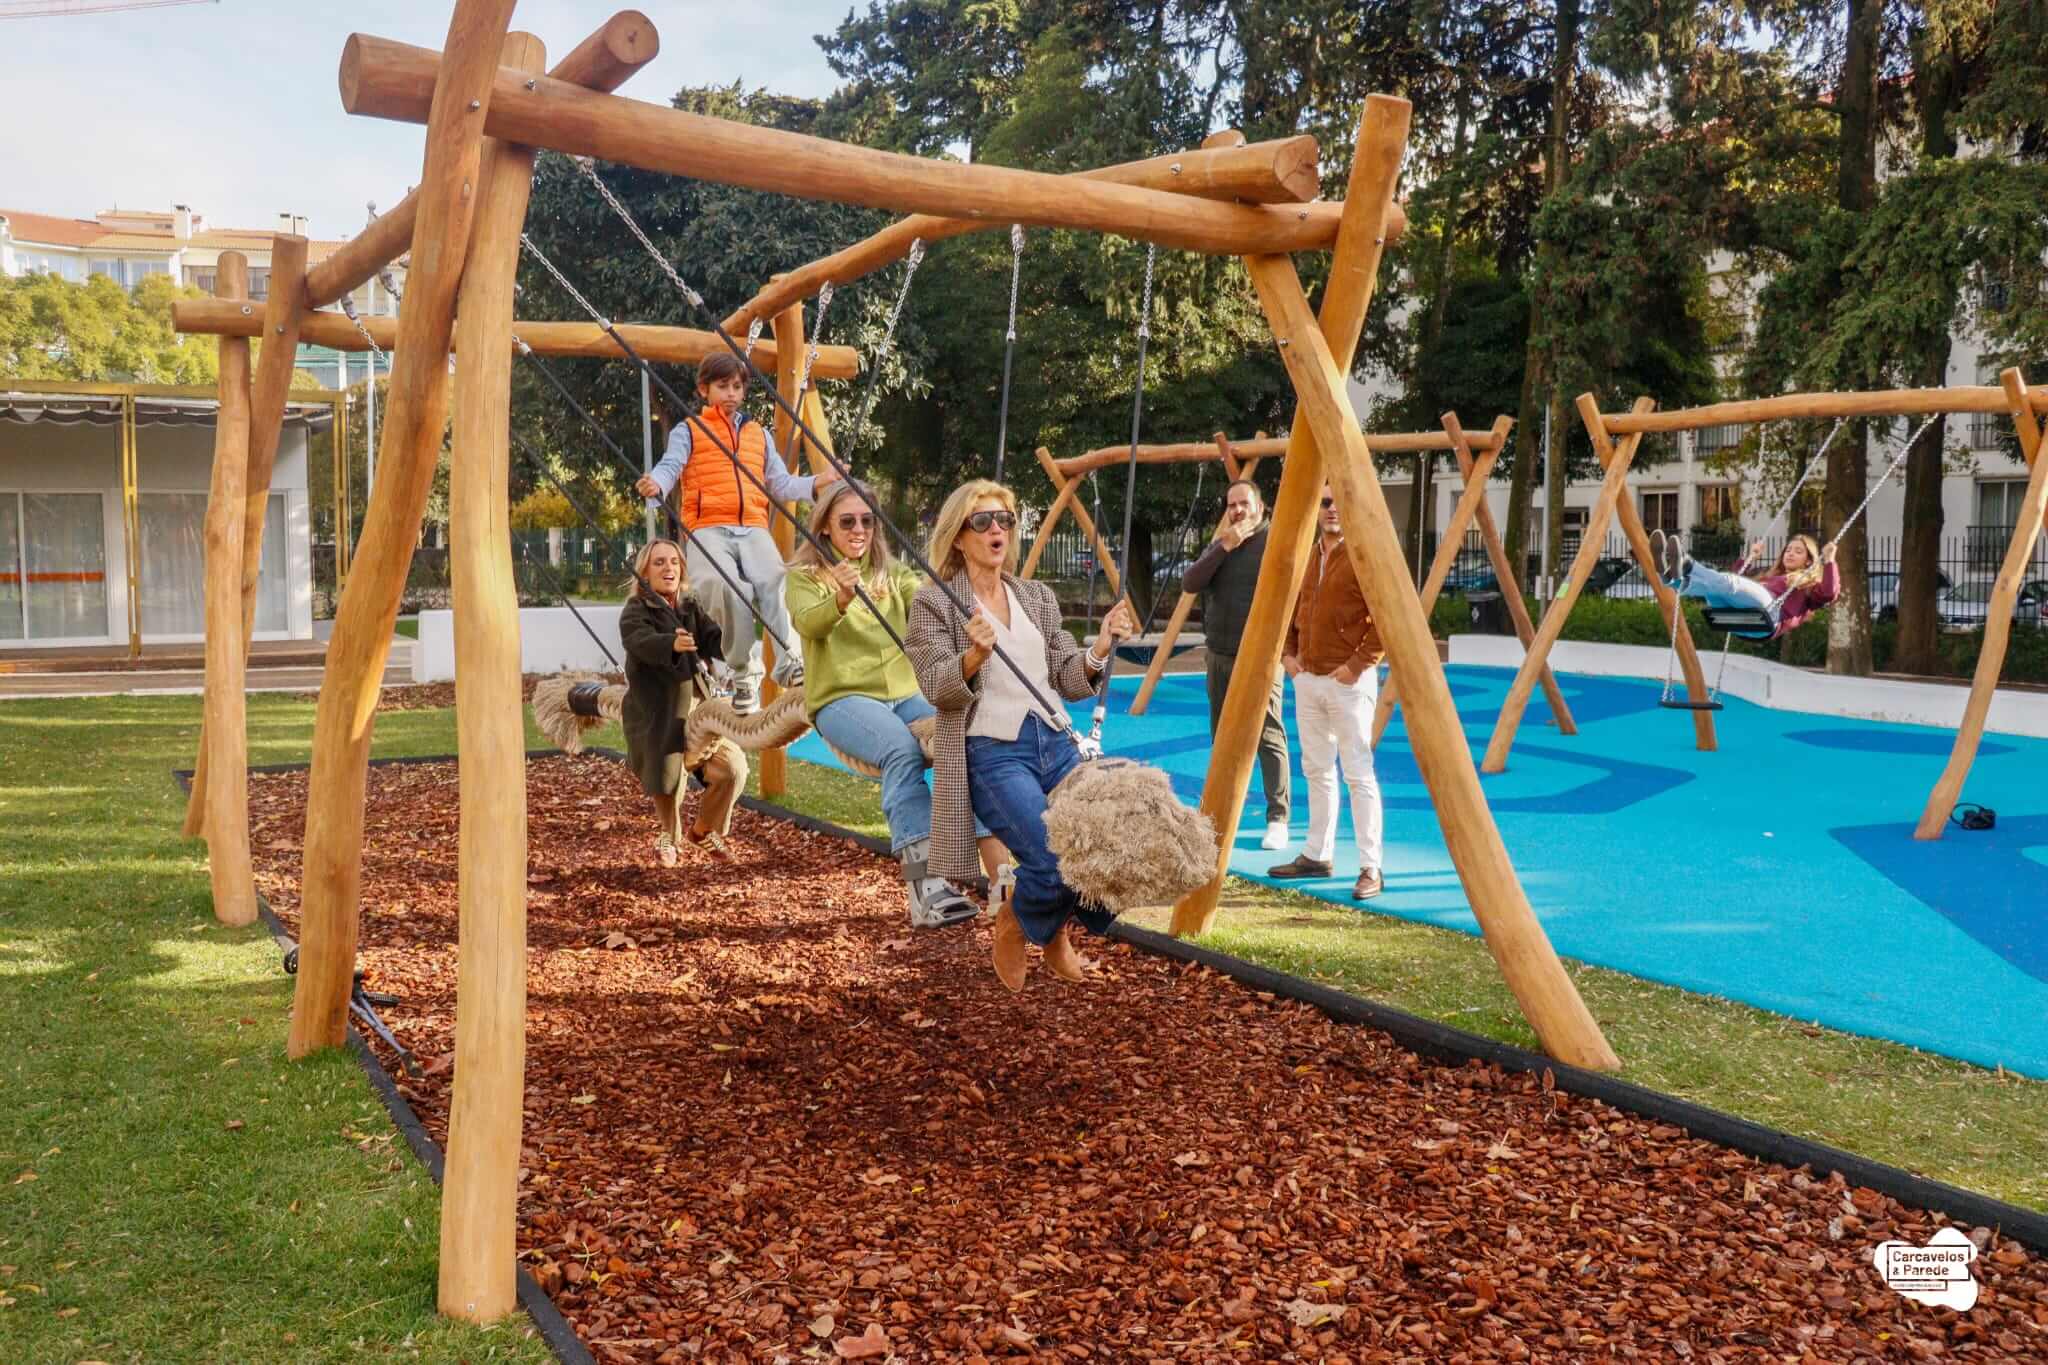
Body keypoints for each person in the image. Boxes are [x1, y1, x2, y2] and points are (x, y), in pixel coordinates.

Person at [905, 479, 1139, 990]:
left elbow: (1066, 675)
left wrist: (1098, 647)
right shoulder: (934, 604)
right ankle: (1023, 922)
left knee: (1109, 837)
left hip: (1054, 740)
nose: (997, 530)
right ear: (959, 537)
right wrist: (972, 659)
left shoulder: (1035, 596)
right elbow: (935, 685)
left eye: (1004, 521)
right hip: (992, 751)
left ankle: (1039, 922)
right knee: (1052, 856)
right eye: (983, 521)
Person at [787, 480, 1006, 928]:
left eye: (867, 520)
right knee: (901, 751)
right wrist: (841, 597)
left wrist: (968, 606)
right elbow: (809, 625)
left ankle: (1003, 881)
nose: (859, 529)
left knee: (963, 741)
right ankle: (925, 890)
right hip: (843, 698)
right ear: (825, 527)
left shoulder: (894, 575)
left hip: (905, 696)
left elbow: (927, 600)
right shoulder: (805, 578)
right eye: (847, 521)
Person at [635, 351, 839, 715]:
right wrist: (658, 484)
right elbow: (671, 466)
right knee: (729, 590)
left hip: (752, 527)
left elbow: (780, 483)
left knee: (776, 580)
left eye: (737, 387)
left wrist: (816, 483)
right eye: (722, 386)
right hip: (707, 528)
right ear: (704, 389)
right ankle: (744, 674)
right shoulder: (690, 431)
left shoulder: (757, 434)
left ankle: (791, 662)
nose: (731, 394)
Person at [1267, 485, 1386, 901]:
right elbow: (1291, 609)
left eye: (1338, 501)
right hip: (1309, 677)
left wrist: (1356, 666)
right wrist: (1288, 655)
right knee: (1316, 768)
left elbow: (1386, 618)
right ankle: (1318, 853)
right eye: (1324, 502)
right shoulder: (1308, 553)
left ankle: (1371, 866)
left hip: (1347, 681)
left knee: (1357, 772)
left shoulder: (1365, 553)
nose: (1332, 509)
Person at [616, 540, 747, 867]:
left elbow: (714, 638)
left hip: (700, 708)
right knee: (668, 774)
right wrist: (671, 644)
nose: (668, 568)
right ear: (644, 571)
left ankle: (704, 830)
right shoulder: (637, 610)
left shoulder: (689, 608)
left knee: (733, 769)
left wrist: (734, 641)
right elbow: (639, 641)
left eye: (674, 562)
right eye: (659, 562)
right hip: (660, 709)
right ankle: (668, 836)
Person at [1181, 478, 1291, 850]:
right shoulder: (1222, 543)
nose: (1238, 511)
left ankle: (1278, 817)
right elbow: (1190, 582)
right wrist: (1223, 547)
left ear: (1260, 507)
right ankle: (1222, 813)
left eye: (1245, 503)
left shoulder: (1272, 542)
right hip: (1220, 654)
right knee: (1223, 737)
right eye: (1232, 505)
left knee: (1268, 734)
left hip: (1260, 656)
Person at [1651, 530, 1840, 637]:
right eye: (1788, 550)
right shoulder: (1769, 577)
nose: (1790, 553)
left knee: (1729, 583)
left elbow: (1828, 594)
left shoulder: (1807, 584)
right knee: (1714, 590)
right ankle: (1670, 579)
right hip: (1743, 621)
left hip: (1770, 616)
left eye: (1798, 551)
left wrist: (1830, 561)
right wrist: (1750, 558)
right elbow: (1731, 578)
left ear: (1809, 560)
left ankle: (1687, 563)